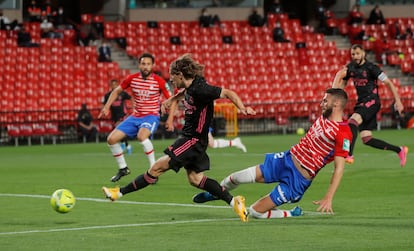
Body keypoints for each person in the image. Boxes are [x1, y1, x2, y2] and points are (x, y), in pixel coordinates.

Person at [102, 54, 256, 222]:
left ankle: (119, 192)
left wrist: (242, 108)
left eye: (172, 77)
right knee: (195, 179)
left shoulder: (202, 89)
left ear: (180, 75)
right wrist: (171, 100)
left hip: (192, 140)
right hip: (195, 140)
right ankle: (235, 202)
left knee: (156, 168)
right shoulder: (191, 87)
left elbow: (227, 93)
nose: (171, 81)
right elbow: (183, 94)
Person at [193, 88, 352, 218]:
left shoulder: (343, 132)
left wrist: (328, 197)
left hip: (297, 180)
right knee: (234, 177)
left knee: (255, 211)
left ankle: (291, 213)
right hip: (286, 160)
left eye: (325, 100)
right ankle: (216, 193)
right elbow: (338, 84)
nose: (321, 103)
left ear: (337, 103)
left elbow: (339, 168)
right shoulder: (325, 116)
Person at [98, 53, 171, 182]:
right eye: (143, 64)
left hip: (151, 116)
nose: (146, 67)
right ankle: (123, 168)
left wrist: (170, 117)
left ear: (152, 66)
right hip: (135, 116)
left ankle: (153, 171)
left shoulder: (159, 81)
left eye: (148, 64)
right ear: (139, 65)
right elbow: (116, 91)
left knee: (142, 136)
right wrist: (106, 106)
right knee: (111, 139)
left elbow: (172, 99)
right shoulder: (132, 79)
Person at [332, 44, 408, 166]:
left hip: (372, 102)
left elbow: (388, 83)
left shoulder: (372, 68)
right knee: (367, 139)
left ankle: (349, 154)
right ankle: (400, 150)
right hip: (361, 103)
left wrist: (398, 101)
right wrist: (336, 96)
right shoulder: (351, 68)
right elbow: (343, 84)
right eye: (353, 54)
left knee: (352, 122)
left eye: (357, 53)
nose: (355, 56)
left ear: (363, 53)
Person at [102, 79, 132, 154]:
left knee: (119, 129)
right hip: (114, 116)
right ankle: (126, 145)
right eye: (113, 84)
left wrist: (133, 107)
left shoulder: (122, 93)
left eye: (116, 84)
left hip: (122, 114)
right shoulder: (108, 95)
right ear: (110, 86)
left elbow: (131, 98)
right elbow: (104, 104)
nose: (114, 86)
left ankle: (125, 146)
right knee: (119, 131)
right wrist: (106, 109)